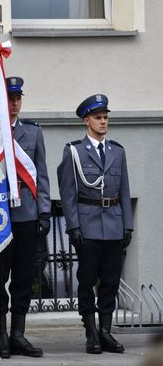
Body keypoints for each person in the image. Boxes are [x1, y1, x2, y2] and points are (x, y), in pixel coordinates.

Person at [57, 94, 133, 354]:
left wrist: (128, 226)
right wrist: (73, 226)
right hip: (88, 224)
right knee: (87, 280)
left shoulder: (117, 151)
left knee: (111, 281)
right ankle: (90, 332)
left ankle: (105, 331)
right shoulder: (74, 152)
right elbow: (68, 193)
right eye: (98, 118)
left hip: (113, 223)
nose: (103, 122)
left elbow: (124, 190)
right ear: (86, 121)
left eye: (105, 117)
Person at [0, 77, 51, 358]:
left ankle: (18, 334)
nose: (14, 103)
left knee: (23, 278)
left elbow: (42, 175)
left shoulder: (33, 133)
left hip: (26, 216)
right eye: (9, 98)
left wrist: (45, 211)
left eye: (17, 98)